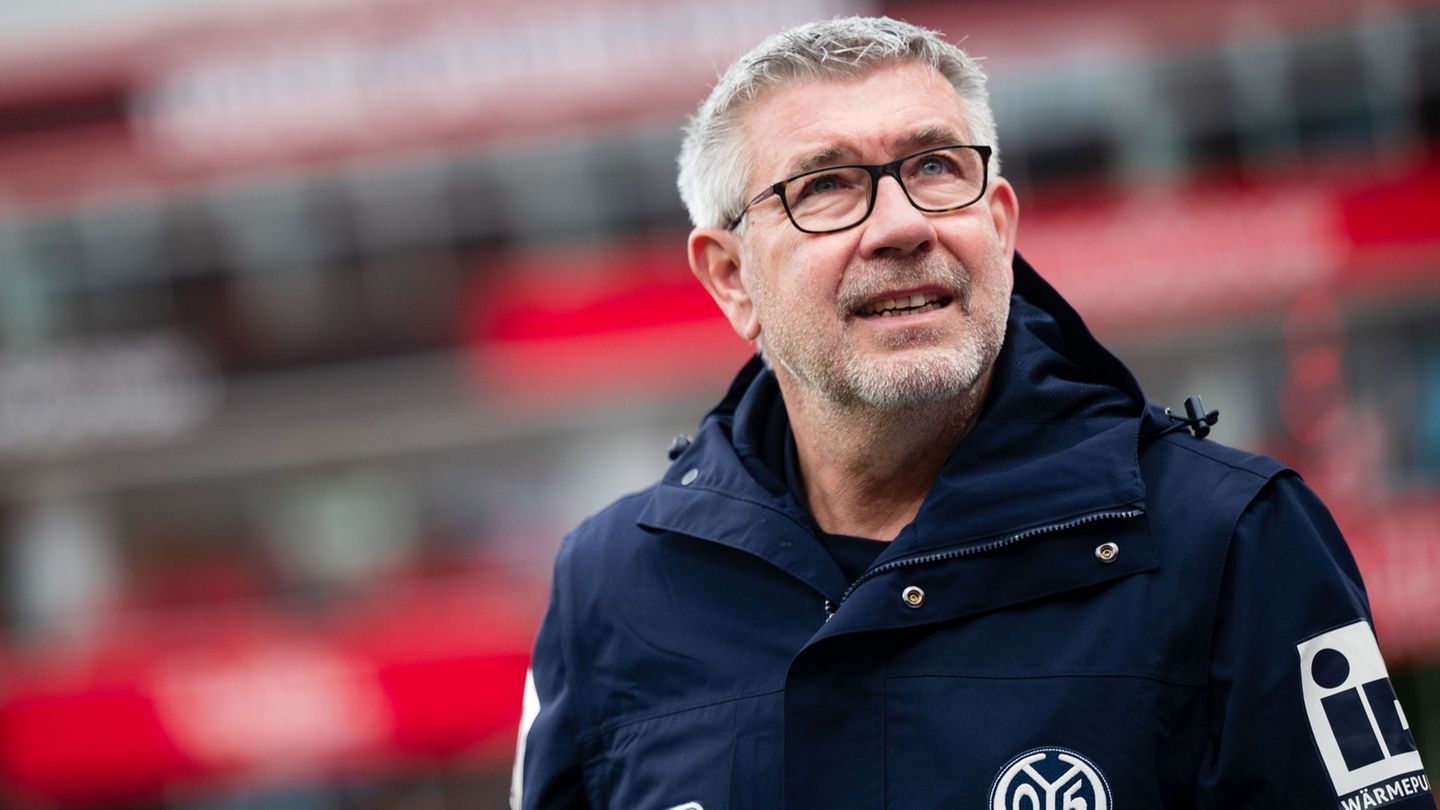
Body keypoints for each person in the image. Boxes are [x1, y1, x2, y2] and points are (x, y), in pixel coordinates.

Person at [511, 16, 1435, 810]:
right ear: (730, 276)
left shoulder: (1231, 538)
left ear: (998, 222)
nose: (902, 224)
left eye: (936, 167)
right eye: (825, 185)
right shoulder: (608, 586)